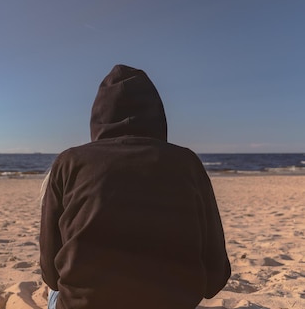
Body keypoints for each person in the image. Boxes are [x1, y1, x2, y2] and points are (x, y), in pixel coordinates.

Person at [40, 64, 231, 309]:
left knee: (53, 293)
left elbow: (51, 275)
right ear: (157, 115)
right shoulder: (187, 163)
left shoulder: (69, 163)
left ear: (97, 116)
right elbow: (215, 279)